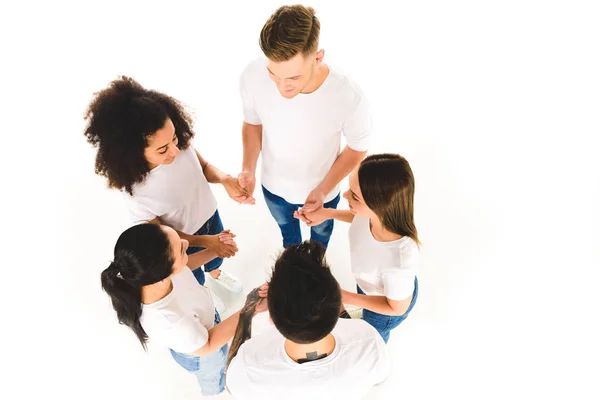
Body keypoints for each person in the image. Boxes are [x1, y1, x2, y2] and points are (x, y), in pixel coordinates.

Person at [84, 76, 249, 310]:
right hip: (182, 242)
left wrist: (225, 179)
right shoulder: (136, 193)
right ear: (132, 152)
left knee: (218, 255)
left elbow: (203, 167)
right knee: (193, 276)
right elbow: (162, 236)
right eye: (162, 149)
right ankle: (204, 291)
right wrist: (205, 243)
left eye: (174, 138)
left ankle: (216, 272)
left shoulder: (178, 143)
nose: (174, 150)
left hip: (210, 216)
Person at [237, 4, 371, 249]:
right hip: (273, 188)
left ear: (318, 57)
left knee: (320, 239)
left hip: (324, 193)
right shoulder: (252, 75)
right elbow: (253, 123)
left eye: (293, 78)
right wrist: (248, 168)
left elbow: (357, 149)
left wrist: (322, 190)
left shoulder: (347, 95)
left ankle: (315, 264)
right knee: (288, 236)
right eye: (274, 75)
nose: (282, 87)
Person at [100, 223, 267, 396]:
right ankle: (217, 390)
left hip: (201, 325)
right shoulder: (171, 322)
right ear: (164, 273)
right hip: (204, 355)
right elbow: (208, 344)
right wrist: (250, 309)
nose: (186, 244)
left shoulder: (151, 276)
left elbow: (184, 267)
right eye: (181, 249)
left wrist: (214, 250)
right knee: (214, 374)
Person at [226, 241, 389, 399]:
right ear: (338, 303)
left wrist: (246, 314)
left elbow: (232, 386)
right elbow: (379, 379)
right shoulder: (368, 340)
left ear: (272, 320)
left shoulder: (249, 366)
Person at [298, 154, 420, 343]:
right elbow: (359, 219)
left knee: (370, 338)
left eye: (354, 196)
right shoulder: (372, 216)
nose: (345, 196)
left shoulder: (399, 262)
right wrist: (327, 213)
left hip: (385, 308)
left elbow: (396, 308)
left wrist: (344, 297)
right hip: (369, 286)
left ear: (379, 206)